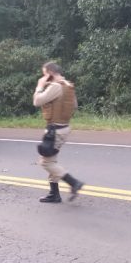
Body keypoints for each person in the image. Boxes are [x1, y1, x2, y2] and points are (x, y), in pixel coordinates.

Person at [33, 62, 85, 203]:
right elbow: (74, 105)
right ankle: (54, 194)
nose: (43, 77)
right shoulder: (68, 85)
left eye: (44, 74)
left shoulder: (55, 86)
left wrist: (40, 86)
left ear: (49, 73)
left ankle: (74, 183)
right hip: (64, 128)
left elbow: (37, 101)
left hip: (54, 131)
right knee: (51, 160)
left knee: (46, 163)